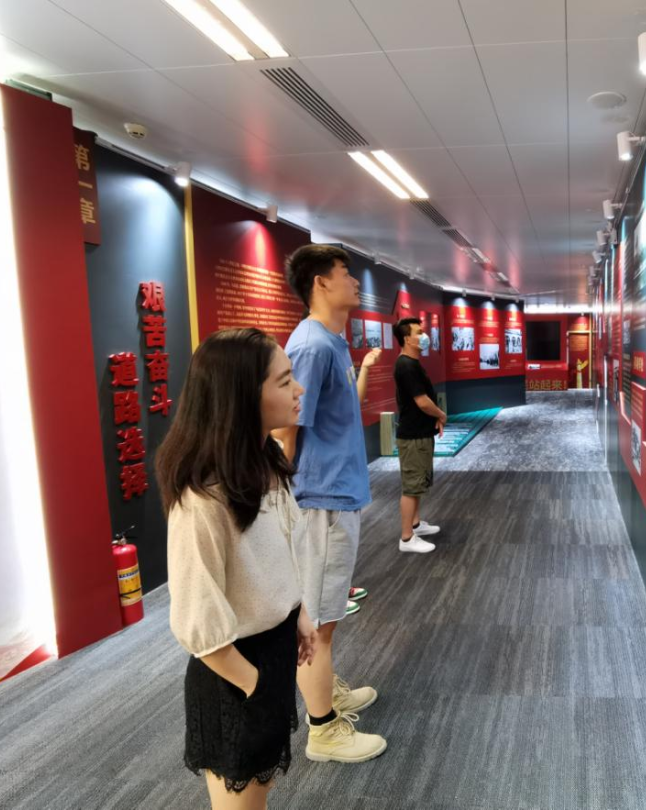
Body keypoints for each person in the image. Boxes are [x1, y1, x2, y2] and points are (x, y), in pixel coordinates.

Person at [158, 328, 320, 809]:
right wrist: (254, 684)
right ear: (242, 396)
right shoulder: (203, 498)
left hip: (272, 652)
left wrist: (298, 614)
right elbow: (196, 619)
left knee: (259, 788)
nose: (298, 389)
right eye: (284, 381)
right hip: (233, 670)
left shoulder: (265, 460)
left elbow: (278, 552)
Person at [272, 244, 386, 763]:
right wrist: (284, 502)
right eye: (346, 273)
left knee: (327, 613)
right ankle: (322, 729)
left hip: (338, 494)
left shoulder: (332, 342)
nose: (355, 282)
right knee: (316, 620)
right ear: (320, 282)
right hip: (319, 499)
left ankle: (327, 692)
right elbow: (285, 429)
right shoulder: (311, 346)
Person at [392, 316, 446, 553]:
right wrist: (441, 415)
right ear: (407, 339)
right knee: (412, 486)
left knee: (418, 482)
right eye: (419, 332)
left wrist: (435, 419)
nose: (424, 336)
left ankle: (415, 524)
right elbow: (422, 401)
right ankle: (406, 538)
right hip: (412, 436)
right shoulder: (406, 366)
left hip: (420, 433)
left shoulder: (412, 363)